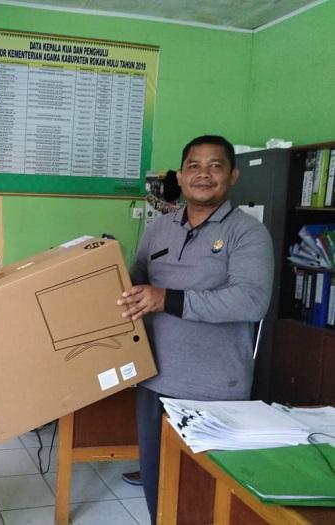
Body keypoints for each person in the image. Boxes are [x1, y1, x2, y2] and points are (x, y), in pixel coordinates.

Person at [117, 135, 274, 523]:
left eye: (215, 166)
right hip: (154, 380)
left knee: (203, 500)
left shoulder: (248, 233)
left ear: (233, 176)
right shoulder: (158, 228)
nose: (204, 174)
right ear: (180, 176)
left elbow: (251, 301)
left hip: (214, 391)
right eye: (194, 166)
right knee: (159, 492)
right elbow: (135, 282)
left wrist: (165, 299)